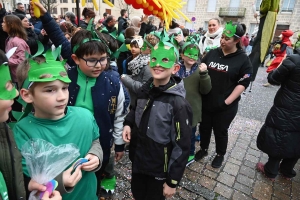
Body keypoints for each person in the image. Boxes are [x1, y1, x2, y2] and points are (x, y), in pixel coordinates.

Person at [29, 2, 129, 197]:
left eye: (103, 59)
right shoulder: (70, 75)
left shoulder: (113, 82)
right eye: (92, 61)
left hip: (101, 139)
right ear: (75, 59)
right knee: (72, 171)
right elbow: (59, 38)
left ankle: (100, 183)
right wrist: (45, 16)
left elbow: (118, 116)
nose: (99, 65)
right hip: (72, 138)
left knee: (98, 166)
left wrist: (118, 144)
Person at [13, 49, 103, 200]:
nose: (62, 97)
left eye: (65, 88)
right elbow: (23, 182)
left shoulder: (85, 117)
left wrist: (96, 154)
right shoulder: (22, 132)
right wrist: (59, 183)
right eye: (50, 90)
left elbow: (95, 140)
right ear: (27, 95)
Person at [122, 41, 193, 199]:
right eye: (154, 59)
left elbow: (182, 145)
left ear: (175, 68)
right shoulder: (144, 90)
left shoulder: (178, 105)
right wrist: (128, 123)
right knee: (138, 194)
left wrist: (172, 181)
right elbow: (135, 108)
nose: (158, 64)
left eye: (165, 60)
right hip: (139, 161)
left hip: (159, 169)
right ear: (149, 63)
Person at [0, 50, 62, 200]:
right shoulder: (20, 132)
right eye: (7, 86)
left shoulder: (3, 132)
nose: (14, 93)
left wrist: (26, 186)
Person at [194, 21, 252, 168]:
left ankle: (220, 154)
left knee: (220, 131)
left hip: (225, 105)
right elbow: (201, 69)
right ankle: (204, 149)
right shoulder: (213, 52)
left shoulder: (243, 59)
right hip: (207, 101)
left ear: (237, 40)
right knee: (204, 128)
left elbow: (243, 83)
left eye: (227, 39)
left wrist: (226, 102)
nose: (223, 40)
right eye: (222, 37)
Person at [256, 46, 300, 181]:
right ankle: (287, 170)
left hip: (287, 107)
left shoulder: (294, 60)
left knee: (280, 136)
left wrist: (278, 68)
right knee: (297, 138)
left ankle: (271, 170)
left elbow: (273, 79)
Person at [176, 41, 212, 166]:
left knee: (190, 134)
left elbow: (206, 90)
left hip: (192, 110)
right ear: (182, 55)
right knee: (176, 131)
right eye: (188, 54)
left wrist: (204, 74)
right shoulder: (176, 69)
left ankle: (190, 153)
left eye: (195, 55)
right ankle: (177, 151)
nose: (192, 57)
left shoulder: (200, 71)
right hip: (176, 108)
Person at [121, 36, 154, 107]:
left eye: (144, 45)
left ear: (150, 50)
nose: (142, 47)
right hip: (134, 100)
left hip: (140, 103)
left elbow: (144, 88)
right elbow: (137, 77)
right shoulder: (139, 60)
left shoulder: (148, 65)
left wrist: (126, 79)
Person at [2, 14, 30, 83]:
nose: (2, 24)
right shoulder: (10, 39)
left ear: (11, 25)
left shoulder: (18, 41)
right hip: (14, 75)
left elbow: (23, 60)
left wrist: (6, 61)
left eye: (4, 22)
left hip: (19, 77)